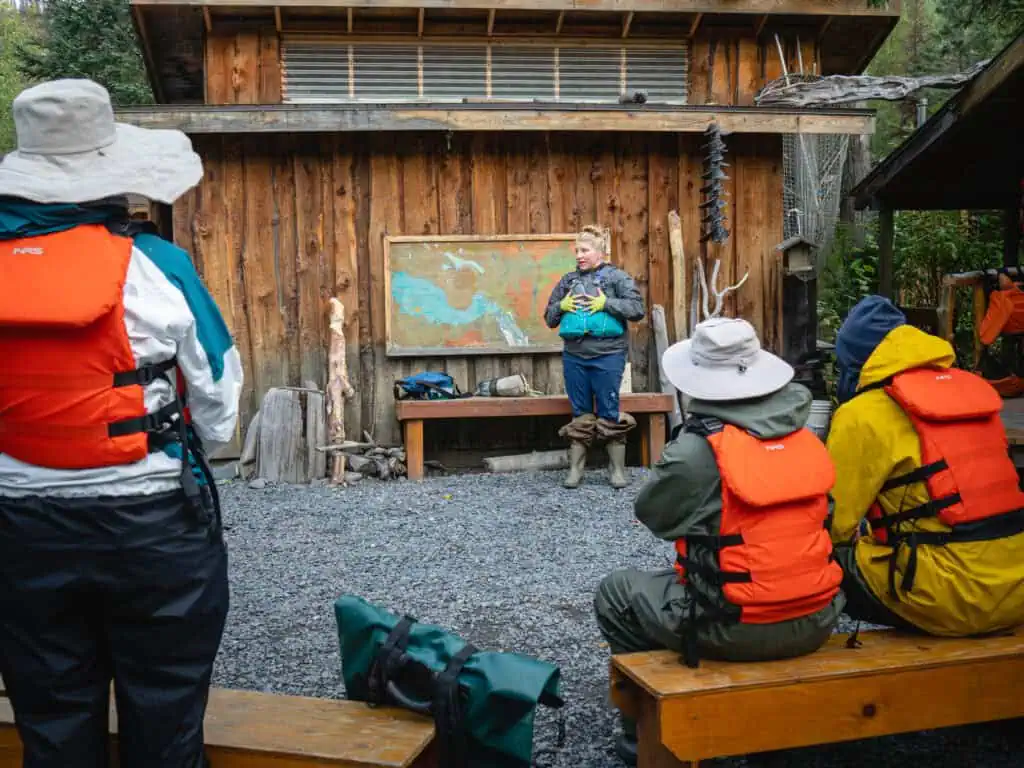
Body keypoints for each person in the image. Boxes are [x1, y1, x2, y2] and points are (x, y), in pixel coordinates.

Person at [0, 79, 242, 767]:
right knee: (165, 710)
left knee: (49, 717)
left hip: (19, 527)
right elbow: (220, 388)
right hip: (151, 525)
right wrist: (200, 446)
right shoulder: (157, 264)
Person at [594, 317, 845, 765]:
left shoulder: (698, 449)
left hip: (733, 625)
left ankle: (644, 729)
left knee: (616, 591)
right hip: (817, 617)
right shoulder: (806, 435)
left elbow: (654, 516)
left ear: (699, 381)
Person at [826, 295, 1024, 637]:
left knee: (812, 562)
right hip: (1015, 585)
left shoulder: (861, 414)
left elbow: (831, 526)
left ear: (855, 361)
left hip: (949, 597)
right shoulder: (972, 391)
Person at [543, 225, 645, 489]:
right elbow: (549, 318)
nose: (579, 255)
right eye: (577, 250)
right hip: (575, 355)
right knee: (580, 411)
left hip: (609, 354)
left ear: (600, 252)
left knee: (609, 410)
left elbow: (636, 309)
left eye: (584, 250)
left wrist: (606, 304)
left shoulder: (617, 278)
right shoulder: (567, 282)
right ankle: (576, 472)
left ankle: (616, 471)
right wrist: (562, 305)